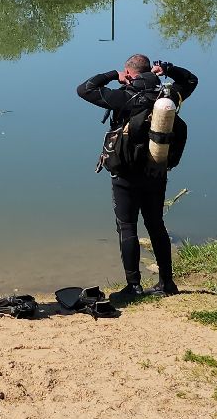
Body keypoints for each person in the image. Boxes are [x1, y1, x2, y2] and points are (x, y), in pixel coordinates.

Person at [77, 54, 199, 299]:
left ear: (130, 73)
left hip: (126, 174)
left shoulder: (122, 97)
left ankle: (133, 286)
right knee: (156, 225)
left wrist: (113, 75)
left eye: (126, 74)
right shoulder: (169, 96)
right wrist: (168, 69)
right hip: (156, 169)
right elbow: (191, 80)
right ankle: (167, 283)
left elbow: (84, 89)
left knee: (127, 226)